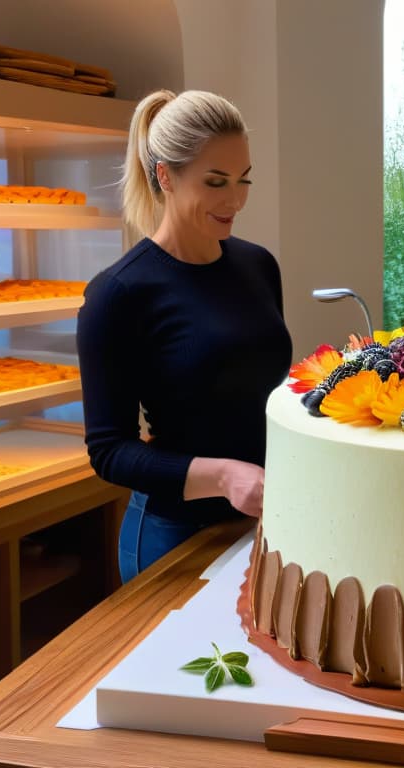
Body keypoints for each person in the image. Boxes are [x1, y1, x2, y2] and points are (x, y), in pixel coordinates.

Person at [77, 90, 293, 583]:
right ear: (165, 176)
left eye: (243, 180)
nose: (235, 200)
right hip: (171, 534)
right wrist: (224, 475)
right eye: (216, 182)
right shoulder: (118, 293)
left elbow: (257, 390)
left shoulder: (258, 265)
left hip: (260, 521)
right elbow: (109, 451)